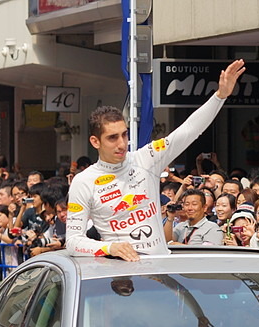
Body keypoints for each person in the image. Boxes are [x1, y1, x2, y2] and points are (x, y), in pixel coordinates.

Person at [65, 59, 245, 261]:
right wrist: (110, 247)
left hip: (159, 271)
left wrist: (220, 96)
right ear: (95, 141)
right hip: (118, 277)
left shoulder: (146, 158)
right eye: (112, 138)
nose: (122, 144)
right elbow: (72, 242)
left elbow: (187, 131)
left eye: (124, 135)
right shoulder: (83, 181)